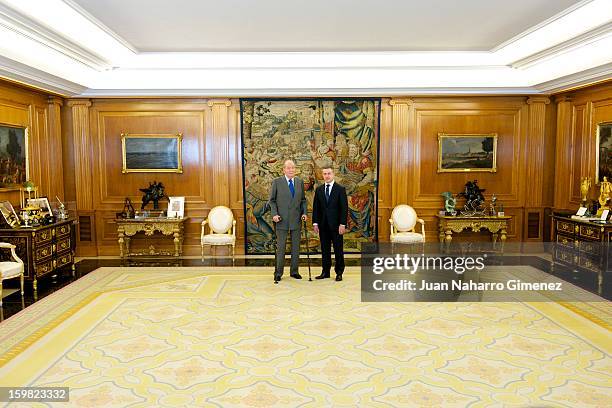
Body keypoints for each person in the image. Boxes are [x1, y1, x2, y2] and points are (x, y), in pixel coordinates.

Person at [269, 159, 307, 283]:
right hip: (281, 220)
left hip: (296, 220)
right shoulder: (277, 182)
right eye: (288, 168)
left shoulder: (299, 182)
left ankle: (294, 271)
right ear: (284, 170)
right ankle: (278, 272)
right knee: (281, 248)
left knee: (296, 248)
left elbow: (303, 200)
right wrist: (274, 214)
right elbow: (272, 200)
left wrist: (304, 213)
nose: (291, 170)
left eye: (293, 168)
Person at [312, 167, 348, 281]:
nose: (327, 176)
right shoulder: (319, 190)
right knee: (325, 250)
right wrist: (315, 223)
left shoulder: (340, 189)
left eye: (329, 173)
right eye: (325, 174)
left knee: (338, 249)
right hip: (323, 225)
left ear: (333, 174)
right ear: (322, 175)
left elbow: (344, 208)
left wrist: (343, 224)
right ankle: (325, 272)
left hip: (337, 226)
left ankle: (339, 272)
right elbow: (316, 208)